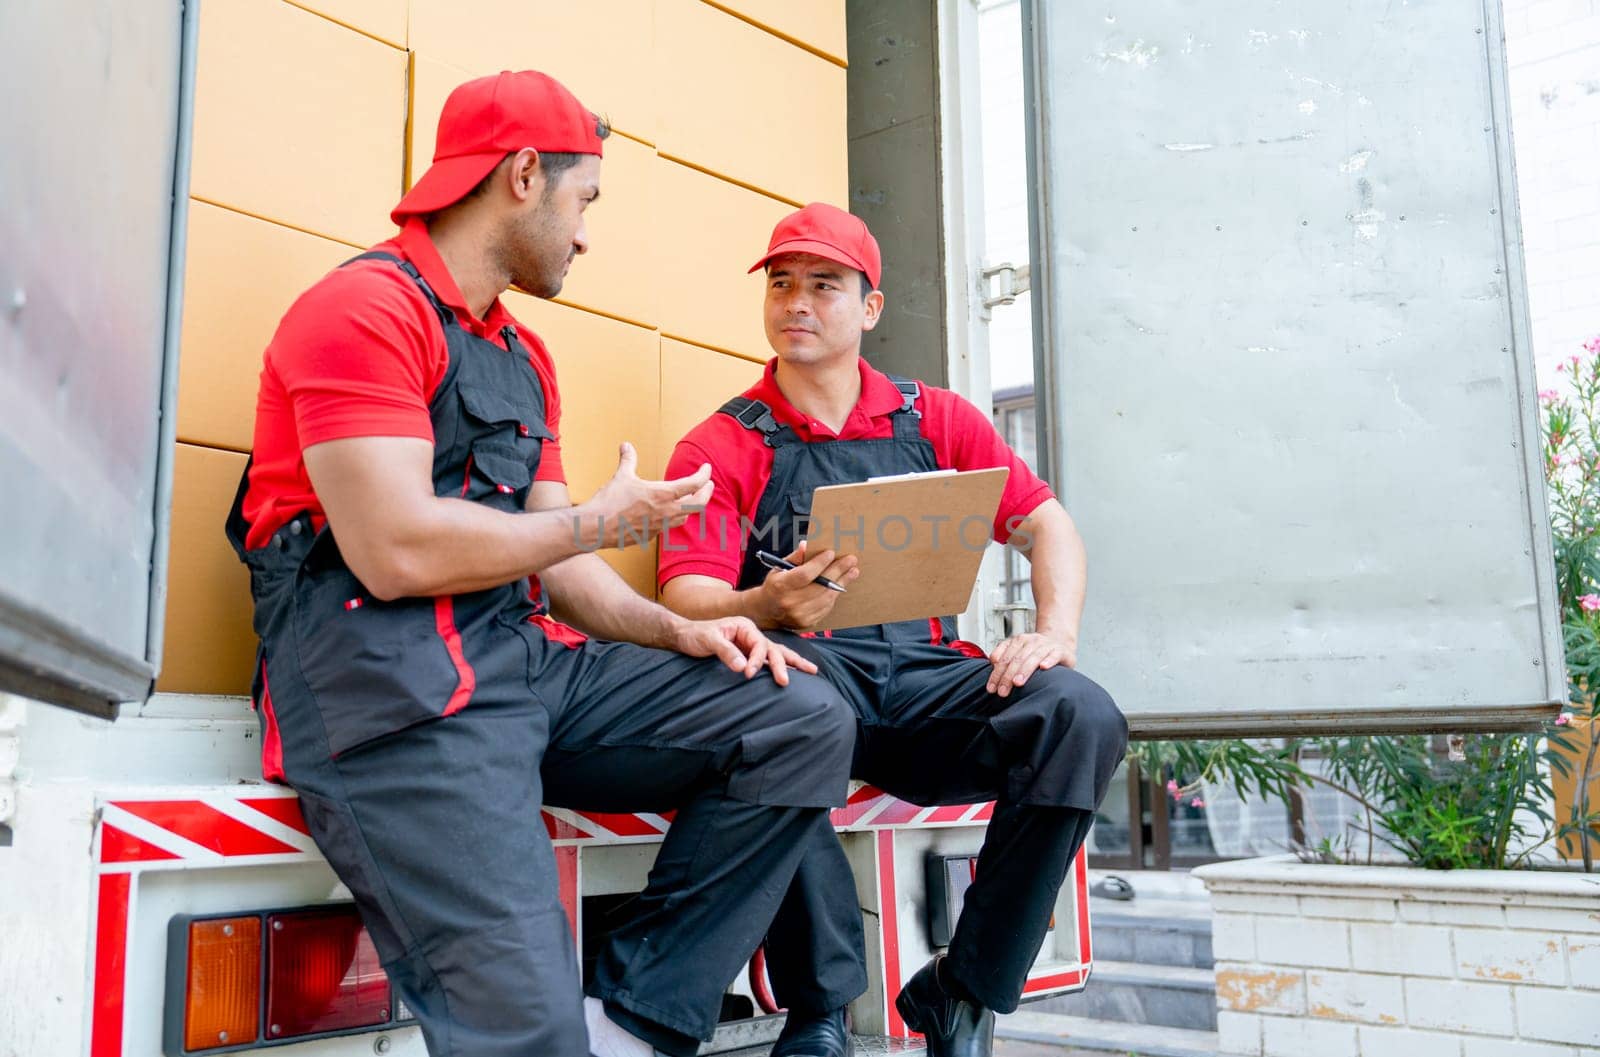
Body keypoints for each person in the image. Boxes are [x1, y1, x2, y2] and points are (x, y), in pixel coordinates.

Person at [225, 72, 857, 1057]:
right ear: (523, 175)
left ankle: (636, 1016)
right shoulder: (360, 311)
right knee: (526, 1033)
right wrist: (594, 526)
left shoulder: (522, 355)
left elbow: (562, 562)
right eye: (584, 199)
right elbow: (392, 551)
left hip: (521, 662)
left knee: (797, 714)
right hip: (394, 699)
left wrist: (678, 626)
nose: (586, 233)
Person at [657, 203, 1129, 1057]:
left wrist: (1053, 632)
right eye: (782, 282)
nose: (796, 301)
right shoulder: (722, 441)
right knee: (774, 714)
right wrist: (767, 605)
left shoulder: (937, 421)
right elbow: (685, 595)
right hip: (807, 683)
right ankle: (820, 1012)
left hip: (925, 688)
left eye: (824, 285)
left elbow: (1046, 523)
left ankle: (964, 990)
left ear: (869, 308)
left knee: (1078, 714)